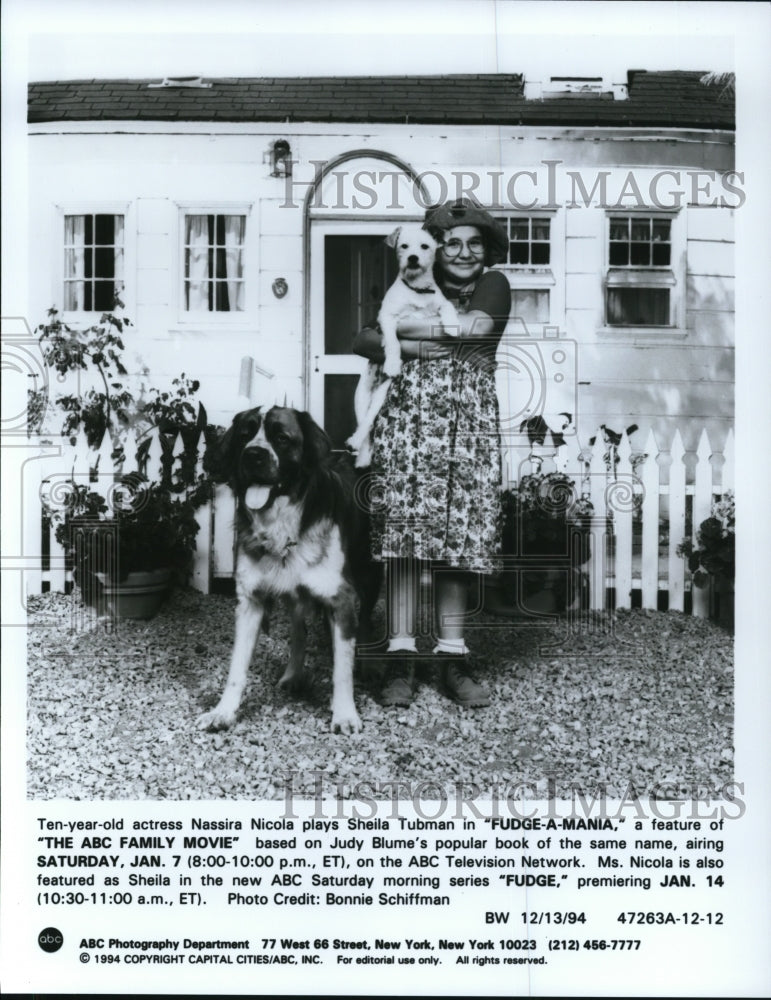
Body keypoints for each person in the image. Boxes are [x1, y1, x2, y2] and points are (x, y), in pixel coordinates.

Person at [353, 199, 512, 707]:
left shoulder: (494, 285)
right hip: (406, 422)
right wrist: (423, 344)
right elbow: (362, 337)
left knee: (456, 541)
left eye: (474, 244)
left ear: (487, 251)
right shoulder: (419, 283)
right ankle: (400, 659)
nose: (463, 253)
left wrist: (401, 335)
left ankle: (451, 659)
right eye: (452, 243)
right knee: (402, 537)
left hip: (466, 425)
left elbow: (476, 330)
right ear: (435, 249)